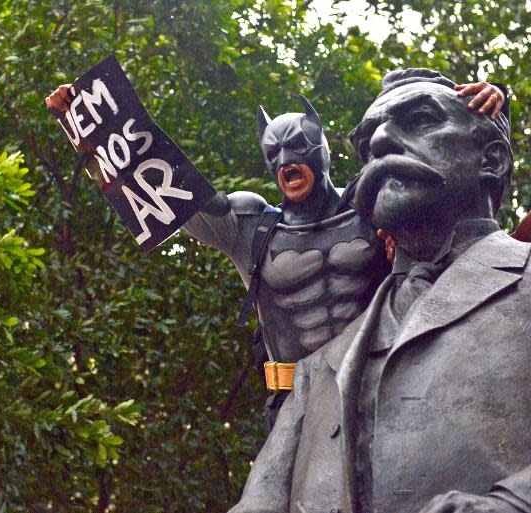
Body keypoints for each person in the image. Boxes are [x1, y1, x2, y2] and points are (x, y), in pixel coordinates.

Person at [45, 79, 506, 429]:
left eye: (297, 147)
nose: (286, 160)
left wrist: (489, 101)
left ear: (323, 151)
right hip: (294, 402)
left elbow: (454, 202)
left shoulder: (373, 204)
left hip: (379, 386)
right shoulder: (251, 224)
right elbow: (166, 191)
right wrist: (90, 135)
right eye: (274, 152)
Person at [228, 68, 530, 513]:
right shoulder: (317, 371)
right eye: (368, 143)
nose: (381, 142)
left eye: (421, 120)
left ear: (492, 160)